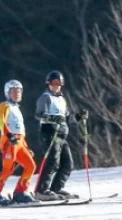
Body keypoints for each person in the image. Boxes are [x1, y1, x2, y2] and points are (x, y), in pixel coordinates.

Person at [34, 70, 88, 200]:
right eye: (54, 83)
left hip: (62, 135)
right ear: (49, 83)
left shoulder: (62, 99)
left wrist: (79, 117)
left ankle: (56, 189)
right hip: (50, 133)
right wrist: (52, 118)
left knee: (67, 164)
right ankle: (41, 191)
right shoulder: (46, 97)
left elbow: (67, 118)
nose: (56, 85)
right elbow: (39, 114)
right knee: (52, 162)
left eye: (59, 83)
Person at [0, 80, 36, 205]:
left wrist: (25, 146)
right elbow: (0, 122)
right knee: (8, 169)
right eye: (14, 91)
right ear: (8, 93)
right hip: (9, 142)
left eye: (19, 91)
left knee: (31, 166)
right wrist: (9, 135)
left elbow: (21, 130)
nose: (17, 93)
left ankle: (20, 193)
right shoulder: (4, 105)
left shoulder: (17, 108)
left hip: (19, 142)